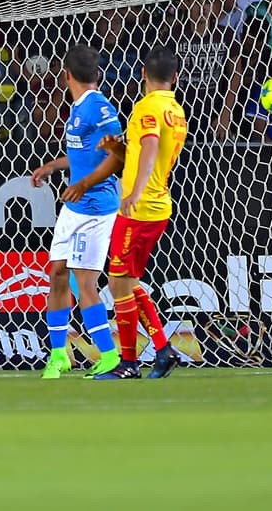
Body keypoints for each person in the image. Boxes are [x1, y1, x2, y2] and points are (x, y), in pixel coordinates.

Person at [80, 47, 187, 380]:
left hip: (141, 207)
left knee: (118, 285)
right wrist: (116, 148)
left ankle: (128, 363)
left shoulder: (147, 107)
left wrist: (136, 191)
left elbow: (151, 146)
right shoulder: (176, 110)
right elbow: (142, 153)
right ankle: (163, 349)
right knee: (127, 282)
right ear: (175, 78)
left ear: (142, 73)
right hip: (157, 204)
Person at [30, 45, 123, 380]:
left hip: (96, 208)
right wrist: (54, 166)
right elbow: (87, 155)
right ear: (97, 73)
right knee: (57, 273)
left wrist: (83, 184)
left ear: (65, 74)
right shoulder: (79, 107)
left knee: (84, 282)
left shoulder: (99, 107)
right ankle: (59, 356)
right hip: (74, 207)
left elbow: (119, 155)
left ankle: (109, 356)